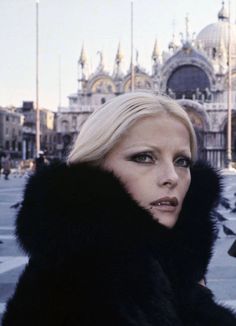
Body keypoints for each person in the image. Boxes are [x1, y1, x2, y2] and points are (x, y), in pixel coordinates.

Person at [2, 92, 236, 326]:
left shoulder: (166, 273)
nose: (171, 177)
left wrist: (193, 296)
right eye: (144, 157)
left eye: (182, 161)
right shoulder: (68, 294)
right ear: (95, 166)